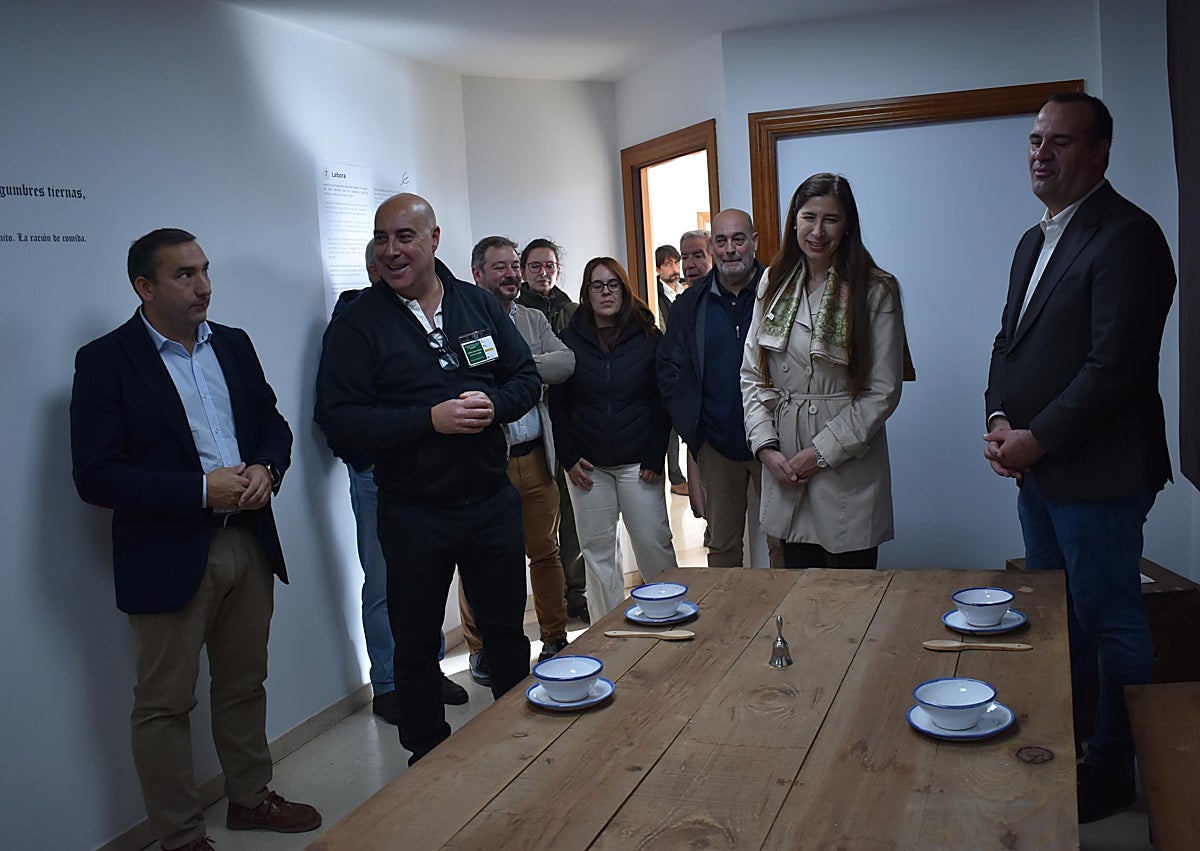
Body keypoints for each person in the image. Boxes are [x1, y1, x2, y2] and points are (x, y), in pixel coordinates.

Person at [70, 228, 320, 851]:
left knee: (244, 684)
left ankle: (251, 798)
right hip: (166, 552)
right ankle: (179, 836)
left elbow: (273, 424)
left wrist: (267, 468)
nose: (204, 286)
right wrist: (198, 490)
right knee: (164, 704)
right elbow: (95, 475)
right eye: (185, 275)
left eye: (205, 270)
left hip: (248, 541)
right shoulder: (106, 360)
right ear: (145, 286)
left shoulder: (232, 344)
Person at [982, 93, 1175, 823]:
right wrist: (999, 418)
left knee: (1108, 618)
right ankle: (1073, 743)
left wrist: (1038, 438)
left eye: (1059, 142)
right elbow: (1007, 342)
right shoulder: (1033, 241)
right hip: (1039, 471)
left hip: (1100, 473)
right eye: (1035, 140)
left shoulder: (1129, 235)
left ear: (1099, 152)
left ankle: (1115, 768)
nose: (1041, 153)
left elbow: (1114, 366)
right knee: (1058, 616)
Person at [318, 193, 541, 765]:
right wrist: (428, 421)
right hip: (414, 511)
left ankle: (521, 746)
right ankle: (426, 758)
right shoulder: (359, 323)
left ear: (434, 239)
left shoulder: (477, 304)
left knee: (507, 632)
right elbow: (340, 420)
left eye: (405, 237)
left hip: (490, 501)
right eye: (382, 238)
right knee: (416, 642)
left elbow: (524, 376)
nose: (391, 250)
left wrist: (494, 406)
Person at [314, 241, 468, 716]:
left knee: (426, 580)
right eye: (386, 261)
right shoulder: (352, 324)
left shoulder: (426, 318)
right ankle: (387, 684)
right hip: (378, 474)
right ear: (371, 270)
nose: (398, 268)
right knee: (384, 583)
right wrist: (367, 463)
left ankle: (429, 671)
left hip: (425, 473)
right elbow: (334, 413)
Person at [741, 174, 906, 569]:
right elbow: (752, 375)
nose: (817, 232)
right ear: (793, 221)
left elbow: (882, 392)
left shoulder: (875, 289)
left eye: (831, 219)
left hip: (844, 461)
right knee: (798, 589)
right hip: (784, 460)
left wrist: (819, 454)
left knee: (851, 592)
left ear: (847, 225)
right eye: (808, 218)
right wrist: (765, 448)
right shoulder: (773, 281)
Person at [459, 236, 575, 686]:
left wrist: (518, 365)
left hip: (537, 459)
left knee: (546, 553)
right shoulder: (463, 322)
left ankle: (555, 637)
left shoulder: (531, 318)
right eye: (500, 267)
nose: (510, 274)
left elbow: (565, 363)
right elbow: (474, 382)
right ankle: (481, 647)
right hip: (492, 463)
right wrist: (526, 372)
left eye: (513, 266)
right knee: (481, 560)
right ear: (478, 274)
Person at [550, 258, 678, 621]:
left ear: (624, 290)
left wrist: (655, 455)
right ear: (586, 293)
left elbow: (662, 404)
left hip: (639, 465)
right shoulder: (568, 341)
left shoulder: (648, 338)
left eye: (613, 285)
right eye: (597, 285)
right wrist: (567, 457)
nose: (606, 292)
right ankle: (607, 633)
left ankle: (669, 621)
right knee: (598, 555)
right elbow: (558, 404)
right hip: (588, 469)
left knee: (654, 547)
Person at [660, 210, 781, 568]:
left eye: (738, 240)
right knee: (723, 548)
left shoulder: (780, 293)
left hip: (776, 442)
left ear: (754, 242)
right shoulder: (690, 304)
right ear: (713, 246)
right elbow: (669, 370)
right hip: (717, 446)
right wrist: (694, 435)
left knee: (785, 543)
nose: (730, 249)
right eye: (722, 241)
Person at [517, 238, 589, 622]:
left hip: (572, 424)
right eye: (535, 266)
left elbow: (572, 364)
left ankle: (577, 594)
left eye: (550, 266)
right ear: (523, 270)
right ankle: (552, 601)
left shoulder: (575, 311)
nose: (543, 273)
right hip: (535, 429)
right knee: (541, 526)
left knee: (573, 515)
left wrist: (526, 366)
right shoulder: (514, 313)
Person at [653, 243, 688, 497]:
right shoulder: (654, 295)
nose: (674, 268)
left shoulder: (685, 291)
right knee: (668, 425)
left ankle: (680, 475)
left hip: (684, 363)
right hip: (666, 363)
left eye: (676, 262)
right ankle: (675, 477)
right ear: (657, 269)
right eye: (668, 264)